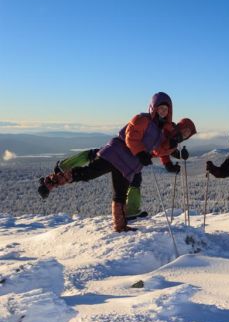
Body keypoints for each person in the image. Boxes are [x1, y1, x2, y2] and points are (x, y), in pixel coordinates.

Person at [37, 92, 179, 232]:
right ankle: (51, 181)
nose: (163, 112)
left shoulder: (160, 132)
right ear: (153, 108)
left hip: (128, 166)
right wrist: (141, 153)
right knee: (87, 173)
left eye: (166, 110)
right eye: (160, 108)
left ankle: (120, 226)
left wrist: (172, 148)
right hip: (115, 155)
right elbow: (131, 137)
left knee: (120, 194)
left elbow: (159, 150)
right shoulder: (143, 119)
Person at [43, 118, 196, 221]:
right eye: (186, 130)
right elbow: (158, 145)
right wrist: (173, 151)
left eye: (189, 133)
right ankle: (64, 166)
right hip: (126, 149)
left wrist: (171, 160)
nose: (186, 134)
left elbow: (162, 151)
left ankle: (131, 210)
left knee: (134, 178)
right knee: (96, 156)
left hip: (133, 158)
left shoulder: (175, 139)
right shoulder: (168, 128)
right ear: (181, 126)